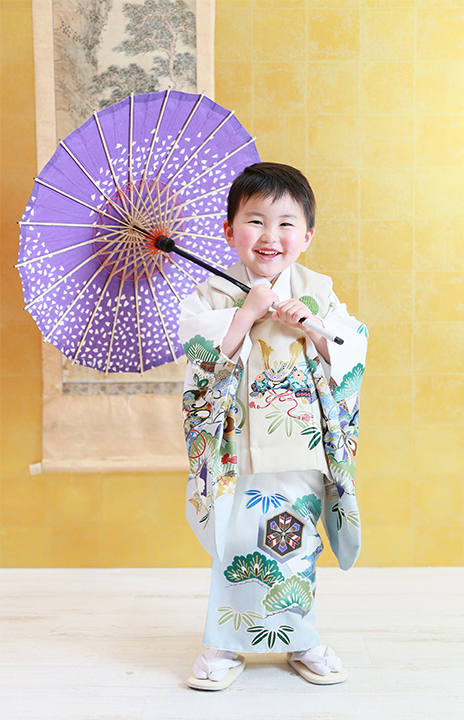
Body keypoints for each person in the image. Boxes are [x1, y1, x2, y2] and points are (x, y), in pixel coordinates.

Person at [178, 162, 368, 690]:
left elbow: (349, 352)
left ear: (306, 236)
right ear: (229, 230)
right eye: (255, 220)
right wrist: (246, 313)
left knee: (296, 543)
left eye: (286, 223)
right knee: (236, 539)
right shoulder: (213, 294)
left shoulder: (318, 291)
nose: (270, 235)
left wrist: (312, 325)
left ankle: (301, 638)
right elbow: (199, 357)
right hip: (234, 448)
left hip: (297, 446)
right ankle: (224, 643)